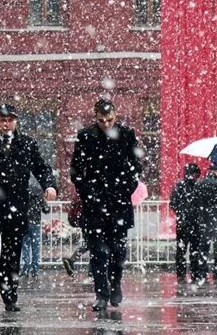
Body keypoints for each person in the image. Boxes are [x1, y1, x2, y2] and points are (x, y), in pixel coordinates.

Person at [0, 103, 57, 312]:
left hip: (16, 208)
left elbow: (41, 167)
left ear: (16, 121)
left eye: (11, 120)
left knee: (11, 254)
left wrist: (49, 185)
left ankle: (9, 297)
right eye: (3, 120)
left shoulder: (27, 144)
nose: (7, 124)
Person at [70, 98, 142, 312]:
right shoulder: (86, 136)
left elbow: (136, 166)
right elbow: (76, 169)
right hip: (94, 202)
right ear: (96, 117)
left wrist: (127, 186)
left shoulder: (127, 134)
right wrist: (86, 192)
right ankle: (101, 293)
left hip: (119, 201)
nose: (106, 124)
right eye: (101, 121)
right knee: (98, 251)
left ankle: (116, 283)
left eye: (109, 120)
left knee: (118, 249)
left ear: (115, 116)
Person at [171, 163, 207, 283]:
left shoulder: (181, 186)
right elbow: (174, 202)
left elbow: (173, 203)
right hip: (191, 222)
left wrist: (182, 213)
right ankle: (192, 273)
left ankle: (185, 273)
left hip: (188, 222)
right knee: (191, 249)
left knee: (185, 250)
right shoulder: (196, 186)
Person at [199, 167, 217, 280]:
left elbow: (197, 201)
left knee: (204, 247)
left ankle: (202, 271)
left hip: (204, 219)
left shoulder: (200, 183)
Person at [20, 179, 49, 277]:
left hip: (25, 222)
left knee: (26, 245)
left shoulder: (23, 195)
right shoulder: (39, 197)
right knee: (36, 246)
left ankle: (25, 267)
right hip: (35, 222)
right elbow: (46, 210)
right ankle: (35, 269)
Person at [62, 192, 89, 277]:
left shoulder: (80, 192)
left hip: (84, 222)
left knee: (90, 245)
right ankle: (92, 274)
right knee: (95, 247)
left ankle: (72, 260)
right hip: (91, 222)